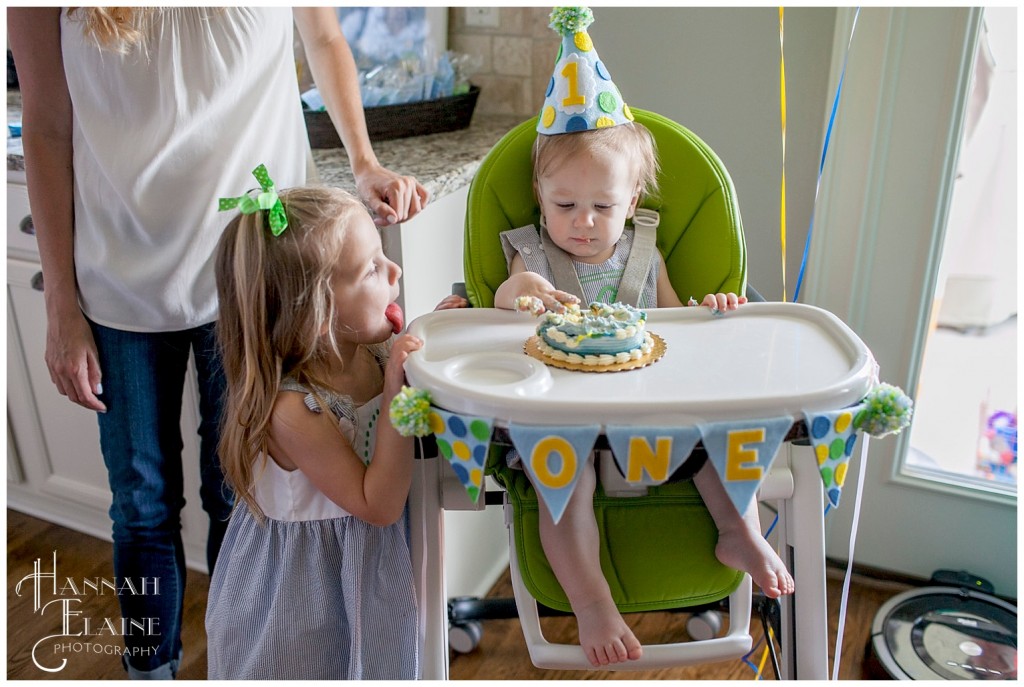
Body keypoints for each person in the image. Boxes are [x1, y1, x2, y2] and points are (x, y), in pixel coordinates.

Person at [8, 7, 429, 679]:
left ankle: (248, 660)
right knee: (140, 506)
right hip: (116, 280)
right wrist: (61, 302)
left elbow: (322, 38)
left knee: (240, 500)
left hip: (260, 280)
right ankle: (150, 668)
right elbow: (48, 125)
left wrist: (364, 160)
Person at [492, 7, 794, 668]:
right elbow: (503, 303)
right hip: (559, 419)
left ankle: (736, 531)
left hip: (651, 416)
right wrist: (521, 295)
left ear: (631, 202)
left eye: (602, 206)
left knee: (714, 442)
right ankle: (592, 600)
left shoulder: (646, 255)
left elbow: (674, 327)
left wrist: (712, 308)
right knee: (560, 487)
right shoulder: (531, 255)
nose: (583, 222)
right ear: (539, 196)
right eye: (564, 205)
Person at [206, 179, 465, 679]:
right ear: (315, 313)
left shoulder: (370, 352)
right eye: (371, 268)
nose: (395, 271)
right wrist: (396, 394)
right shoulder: (292, 409)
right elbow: (378, 506)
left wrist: (433, 335)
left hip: (372, 577)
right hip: (305, 606)